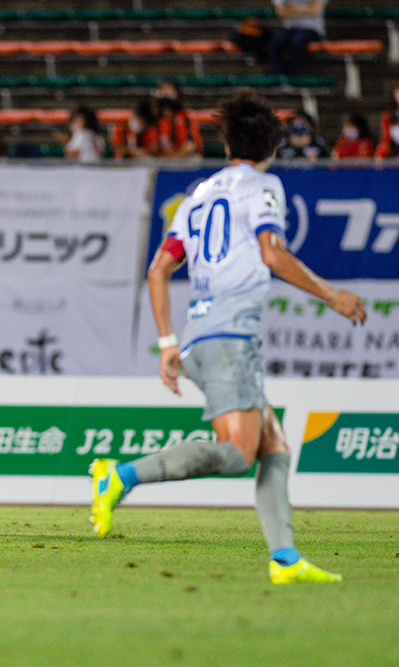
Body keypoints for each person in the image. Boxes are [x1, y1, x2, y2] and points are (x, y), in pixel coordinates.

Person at [89, 91, 366, 584]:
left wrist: (168, 343)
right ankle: (120, 475)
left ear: (226, 144)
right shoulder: (263, 186)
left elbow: (158, 270)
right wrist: (333, 296)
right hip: (230, 334)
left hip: (200, 334)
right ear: (274, 148)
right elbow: (272, 253)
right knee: (238, 455)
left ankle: (286, 560)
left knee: (274, 444)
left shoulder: (196, 197)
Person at [268, 0, 326, 76]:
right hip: (289, 29)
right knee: (275, 41)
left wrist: (294, 8)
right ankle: (278, 76)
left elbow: (315, 11)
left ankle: (291, 76)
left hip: (311, 29)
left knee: (297, 41)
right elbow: (281, 13)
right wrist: (306, 9)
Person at [151, 80, 203, 158]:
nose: (165, 93)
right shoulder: (156, 118)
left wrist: (174, 158)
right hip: (164, 158)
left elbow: (191, 145)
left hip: (183, 158)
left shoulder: (185, 116)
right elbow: (153, 146)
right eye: (162, 89)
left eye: (169, 90)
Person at [374, 80, 399, 160]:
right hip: (394, 155)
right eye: (397, 93)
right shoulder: (388, 115)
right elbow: (385, 139)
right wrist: (379, 157)